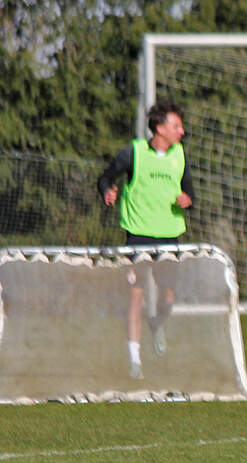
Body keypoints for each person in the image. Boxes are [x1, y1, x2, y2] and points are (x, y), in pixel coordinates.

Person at [98, 99, 194, 379]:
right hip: (138, 235)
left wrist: (187, 200)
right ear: (160, 128)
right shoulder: (134, 152)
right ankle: (134, 360)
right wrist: (108, 191)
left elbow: (190, 193)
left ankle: (157, 323)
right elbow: (105, 178)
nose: (182, 131)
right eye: (177, 126)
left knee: (169, 296)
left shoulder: (180, 156)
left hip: (170, 236)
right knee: (135, 296)